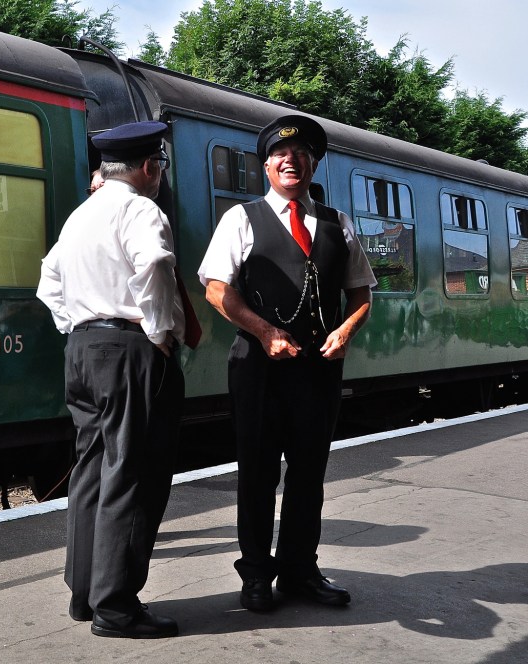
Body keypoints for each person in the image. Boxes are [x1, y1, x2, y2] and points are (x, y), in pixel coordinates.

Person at [197, 114, 376, 612]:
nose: (290, 160)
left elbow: (361, 293)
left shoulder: (339, 224)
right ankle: (255, 575)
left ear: (313, 163)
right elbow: (216, 290)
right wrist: (265, 331)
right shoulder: (241, 218)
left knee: (308, 473)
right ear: (267, 166)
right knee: (257, 474)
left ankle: (299, 571)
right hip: (258, 367)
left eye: (300, 154)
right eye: (280, 155)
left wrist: (345, 330)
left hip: (317, 371)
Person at [37, 120, 185, 639]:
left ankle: (85, 593)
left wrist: (77, 324)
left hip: (82, 349)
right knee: (133, 472)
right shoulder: (141, 208)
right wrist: (161, 330)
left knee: (91, 471)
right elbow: (156, 264)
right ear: (149, 167)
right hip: (129, 348)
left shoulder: (81, 215)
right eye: (160, 167)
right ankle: (117, 606)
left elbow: (48, 280)